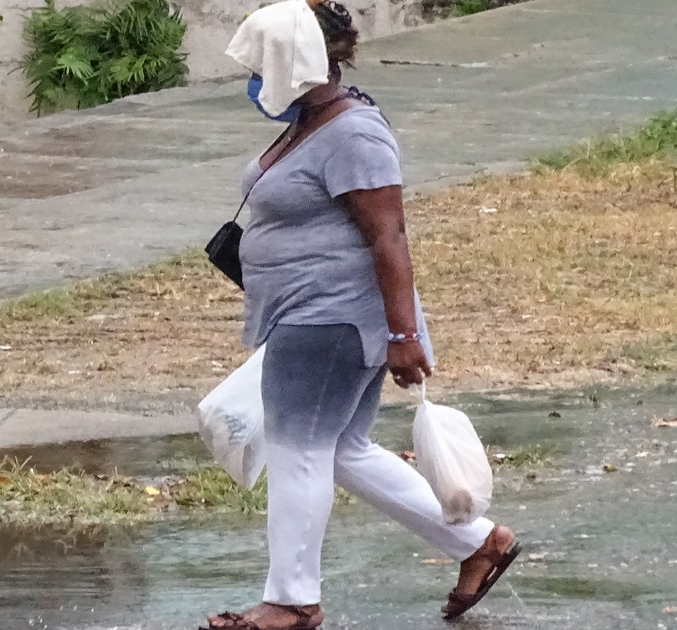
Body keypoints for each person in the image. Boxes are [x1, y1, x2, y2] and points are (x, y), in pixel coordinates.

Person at [205, 2, 520, 629]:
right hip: (308, 314)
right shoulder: (310, 123)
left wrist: (404, 333)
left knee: (297, 450)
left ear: (293, 63)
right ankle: (480, 543)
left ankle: (291, 601)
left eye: (263, 62)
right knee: (341, 448)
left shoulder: (354, 133)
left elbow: (389, 237)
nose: (252, 75)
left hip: (331, 320)